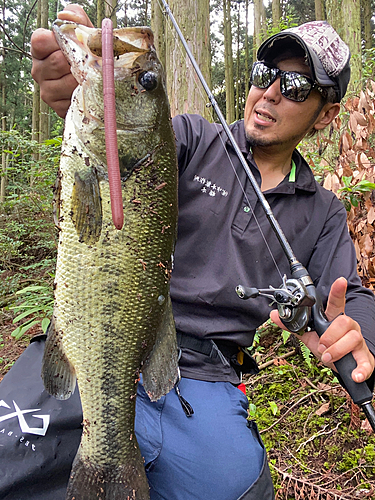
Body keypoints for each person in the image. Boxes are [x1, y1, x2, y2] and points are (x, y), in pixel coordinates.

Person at [0, 5, 374, 499]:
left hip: (205, 376)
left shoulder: (322, 211)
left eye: (298, 87)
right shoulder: (195, 139)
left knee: (241, 488)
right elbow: (121, 152)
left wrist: (358, 332)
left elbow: (354, 297)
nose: (270, 92)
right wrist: (80, 94)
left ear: (326, 115)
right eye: (265, 74)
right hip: (100, 344)